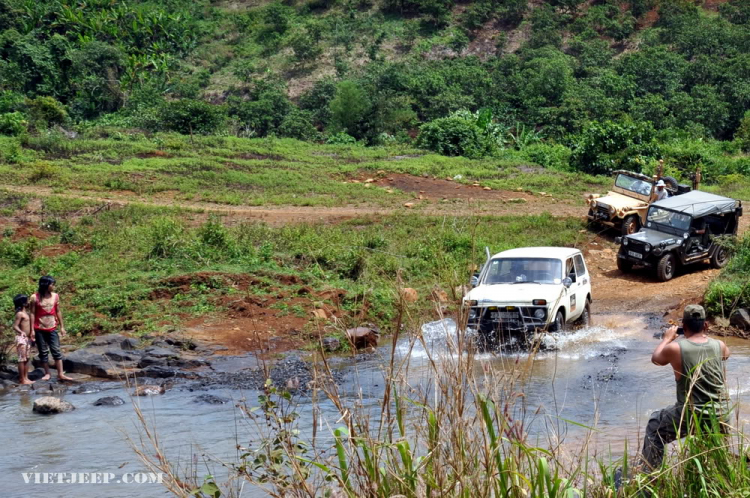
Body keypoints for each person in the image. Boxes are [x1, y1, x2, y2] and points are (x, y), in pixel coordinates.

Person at [640, 304, 730, 471]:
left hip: (690, 413)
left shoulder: (675, 348)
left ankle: (650, 475)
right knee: (716, 452)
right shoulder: (720, 345)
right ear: (706, 325)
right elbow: (725, 355)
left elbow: (656, 359)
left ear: (684, 327)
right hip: (721, 414)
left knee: (654, 426)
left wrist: (667, 339)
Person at [29, 276, 73, 381]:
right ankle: (47, 373)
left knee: (56, 350)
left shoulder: (55, 296)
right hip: (39, 328)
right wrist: (32, 330)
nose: (53, 286)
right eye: (52, 284)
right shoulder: (35, 297)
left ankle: (60, 374)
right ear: (45, 285)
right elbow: (32, 313)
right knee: (43, 352)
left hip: (52, 327)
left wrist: (62, 327)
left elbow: (58, 311)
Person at [12, 294, 34, 385]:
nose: (28, 302)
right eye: (27, 300)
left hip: (27, 339)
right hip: (21, 338)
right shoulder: (20, 314)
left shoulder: (27, 313)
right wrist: (21, 332)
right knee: (22, 359)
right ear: (23, 303)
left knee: (27, 358)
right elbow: (15, 326)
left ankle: (26, 377)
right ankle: (22, 379)